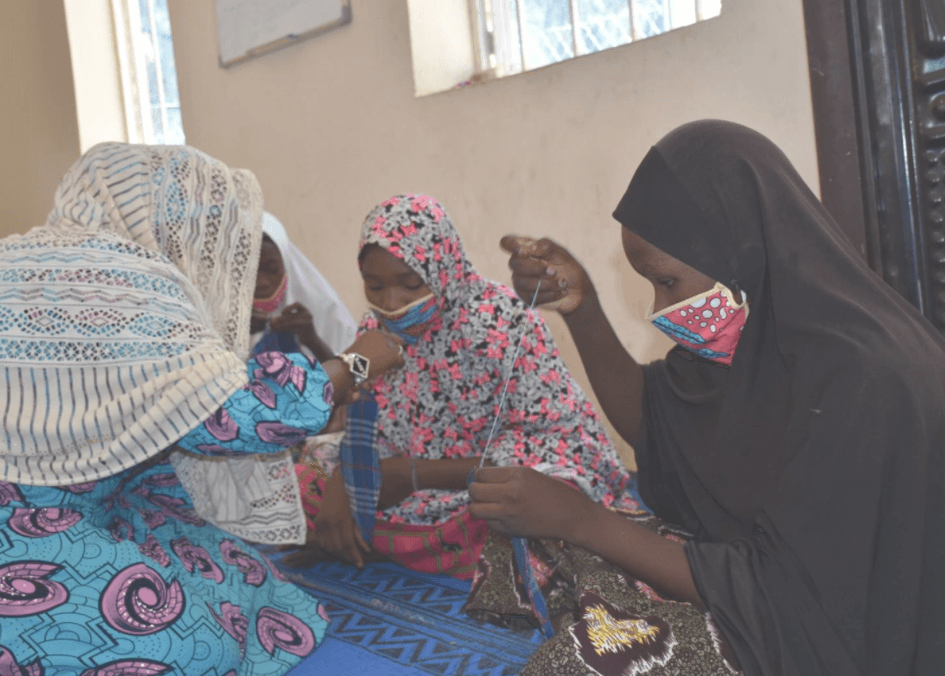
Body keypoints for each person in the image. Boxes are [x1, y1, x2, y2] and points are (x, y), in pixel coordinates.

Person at [469, 121, 945, 674]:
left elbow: (786, 597)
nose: (659, 309)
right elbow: (658, 426)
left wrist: (586, 522)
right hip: (762, 572)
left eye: (666, 282)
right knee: (531, 526)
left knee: (585, 660)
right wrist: (583, 309)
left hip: (849, 632)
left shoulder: (869, 379)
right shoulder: (757, 325)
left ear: (741, 247)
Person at [0, 143, 403, 674]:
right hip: (25, 525)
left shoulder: (18, 255)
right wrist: (355, 364)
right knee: (192, 647)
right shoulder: (127, 279)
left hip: (99, 499)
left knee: (242, 577)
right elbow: (232, 418)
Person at [298, 194, 634, 578]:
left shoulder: (499, 321)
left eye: (411, 284)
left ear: (443, 267)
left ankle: (387, 543)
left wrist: (411, 474)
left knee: (532, 507)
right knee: (303, 475)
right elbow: (363, 419)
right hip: (410, 488)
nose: (393, 303)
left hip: (481, 485)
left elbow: (540, 443)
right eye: (374, 286)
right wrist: (348, 477)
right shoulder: (375, 332)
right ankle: (403, 542)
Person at [250, 211, 357, 362]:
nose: (261, 282)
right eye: (250, 271)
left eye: (272, 269)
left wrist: (313, 341)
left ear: (286, 265)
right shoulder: (217, 315)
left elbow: (360, 373)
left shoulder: (324, 308)